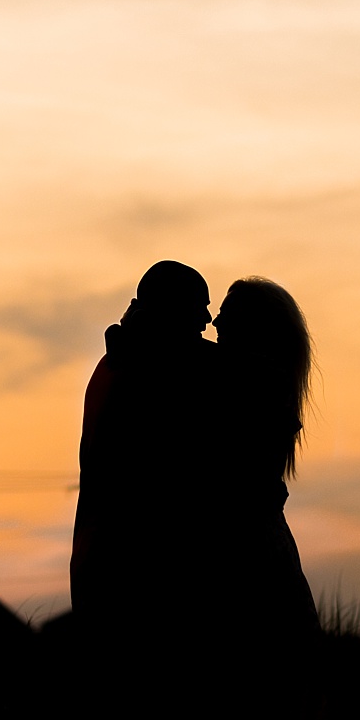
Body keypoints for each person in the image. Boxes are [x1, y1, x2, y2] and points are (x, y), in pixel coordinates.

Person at [69, 259, 218, 639]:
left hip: (111, 568)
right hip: (131, 576)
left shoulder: (127, 360)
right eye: (198, 306)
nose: (208, 319)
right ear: (168, 309)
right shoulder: (145, 372)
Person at [205, 275, 322, 640]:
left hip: (248, 555)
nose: (215, 323)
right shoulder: (256, 377)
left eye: (228, 314)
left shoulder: (252, 378)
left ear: (257, 326)